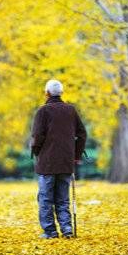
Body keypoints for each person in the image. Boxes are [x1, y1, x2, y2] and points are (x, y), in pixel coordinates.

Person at [30, 79, 87, 239]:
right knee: (63, 198)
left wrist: (36, 151)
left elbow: (37, 136)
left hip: (47, 163)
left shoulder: (43, 111)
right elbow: (82, 134)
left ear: (47, 93)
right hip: (66, 163)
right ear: (61, 93)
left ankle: (50, 232)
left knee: (45, 198)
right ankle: (67, 228)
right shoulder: (71, 110)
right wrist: (76, 155)